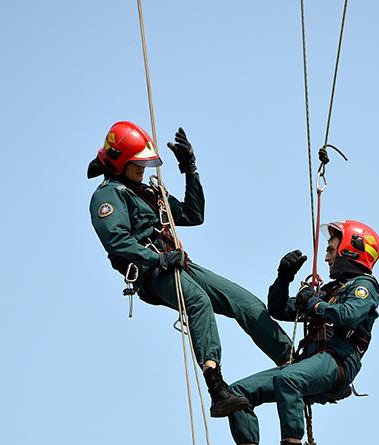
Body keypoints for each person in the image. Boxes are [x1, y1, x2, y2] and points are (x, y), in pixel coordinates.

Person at [88, 121, 293, 417]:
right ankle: (216, 388)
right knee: (198, 301)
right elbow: (117, 241)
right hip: (152, 273)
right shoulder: (109, 196)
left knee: (244, 302)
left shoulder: (146, 192)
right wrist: (156, 260)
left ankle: (291, 360)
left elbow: (193, 214)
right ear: (119, 163)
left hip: (179, 264)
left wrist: (190, 170)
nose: (143, 169)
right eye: (137, 164)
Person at [219, 220, 379, 445]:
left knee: (288, 379)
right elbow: (279, 309)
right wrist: (284, 277)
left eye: (331, 249)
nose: (327, 256)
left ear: (350, 251)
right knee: (236, 394)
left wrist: (314, 304)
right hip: (313, 362)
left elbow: (348, 316)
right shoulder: (329, 291)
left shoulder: (363, 286)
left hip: (338, 361)